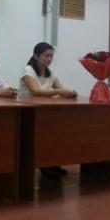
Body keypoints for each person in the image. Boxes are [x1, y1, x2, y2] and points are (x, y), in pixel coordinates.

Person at [18, 41, 77, 179]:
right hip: (28, 111)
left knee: (55, 135)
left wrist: (69, 92)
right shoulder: (28, 70)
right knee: (42, 137)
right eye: (46, 56)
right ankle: (43, 165)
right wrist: (60, 91)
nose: (49, 59)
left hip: (46, 111)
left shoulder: (51, 72)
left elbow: (61, 89)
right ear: (36, 56)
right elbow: (36, 91)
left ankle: (53, 164)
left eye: (51, 56)